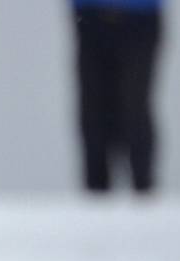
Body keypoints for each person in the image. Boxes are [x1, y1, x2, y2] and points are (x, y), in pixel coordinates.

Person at [71, 0, 165, 193]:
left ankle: (144, 189)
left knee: (134, 106)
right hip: (91, 17)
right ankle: (95, 194)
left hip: (140, 18)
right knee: (93, 109)